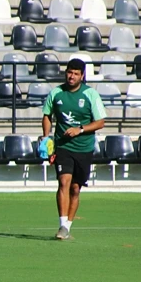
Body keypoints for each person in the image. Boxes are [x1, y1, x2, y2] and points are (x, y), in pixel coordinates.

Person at [42, 58, 106, 241]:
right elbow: (47, 115)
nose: (72, 76)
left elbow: (100, 122)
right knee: (64, 182)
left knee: (76, 189)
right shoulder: (56, 93)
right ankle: (62, 225)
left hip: (84, 148)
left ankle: (68, 226)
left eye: (76, 73)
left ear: (82, 76)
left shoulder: (90, 95)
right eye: (69, 72)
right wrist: (46, 138)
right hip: (63, 146)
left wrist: (81, 129)